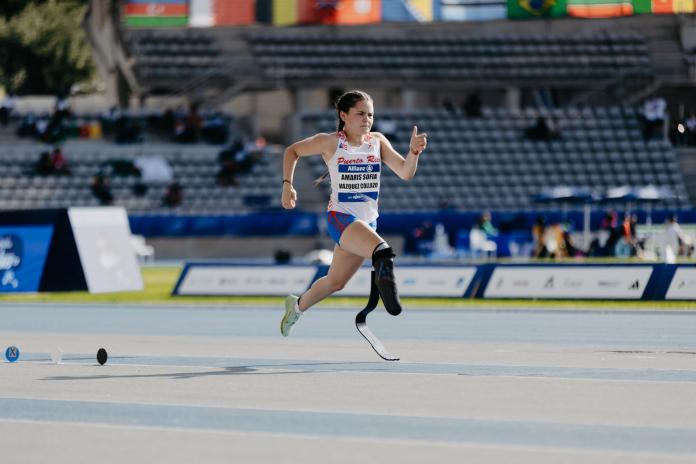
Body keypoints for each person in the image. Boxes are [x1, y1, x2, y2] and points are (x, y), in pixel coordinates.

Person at [279, 90, 427, 336]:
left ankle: (295, 307)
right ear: (343, 115)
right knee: (382, 252)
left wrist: (413, 153)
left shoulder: (377, 141)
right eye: (360, 114)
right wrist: (287, 185)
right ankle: (391, 302)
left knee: (335, 282)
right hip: (342, 218)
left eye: (370, 114)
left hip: (368, 223)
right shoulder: (331, 142)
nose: (367, 119)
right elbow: (291, 151)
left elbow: (405, 172)